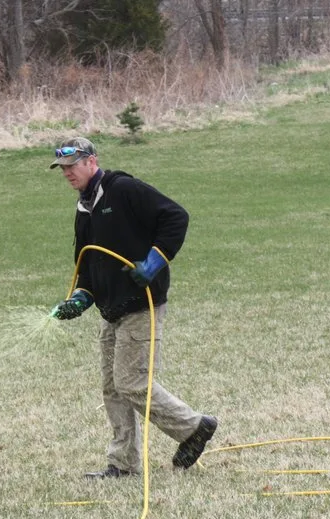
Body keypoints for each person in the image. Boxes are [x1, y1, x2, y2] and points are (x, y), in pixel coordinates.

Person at [48, 137, 217, 479]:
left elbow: (175, 217)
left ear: (91, 162)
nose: (67, 173)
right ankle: (123, 464)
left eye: (73, 166)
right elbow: (87, 266)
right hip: (111, 309)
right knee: (113, 387)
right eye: (62, 169)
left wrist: (153, 263)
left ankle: (194, 427)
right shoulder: (84, 211)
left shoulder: (123, 189)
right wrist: (81, 297)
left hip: (142, 303)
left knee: (132, 382)